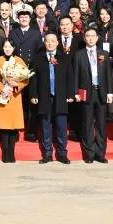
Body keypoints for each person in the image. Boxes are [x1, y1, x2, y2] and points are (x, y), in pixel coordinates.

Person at [30, 32, 74, 164]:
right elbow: (33, 78)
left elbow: (70, 77)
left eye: (53, 41)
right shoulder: (38, 58)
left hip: (60, 96)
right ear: (44, 42)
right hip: (44, 96)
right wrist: (34, 94)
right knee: (46, 126)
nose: (50, 43)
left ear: (57, 42)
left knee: (61, 126)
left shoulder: (64, 57)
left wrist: (70, 94)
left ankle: (62, 154)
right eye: (47, 41)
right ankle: (47, 154)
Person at [73, 26, 113, 163]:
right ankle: (89, 154)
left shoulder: (104, 54)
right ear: (84, 38)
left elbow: (108, 74)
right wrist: (75, 92)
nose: (90, 38)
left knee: (101, 124)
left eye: (93, 36)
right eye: (88, 36)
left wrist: (110, 92)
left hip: (101, 92)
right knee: (87, 124)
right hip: (86, 92)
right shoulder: (79, 54)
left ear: (97, 38)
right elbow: (76, 74)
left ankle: (100, 154)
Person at [0, 38, 27, 163]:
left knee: (13, 127)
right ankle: (5, 153)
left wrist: (15, 86)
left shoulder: (19, 61)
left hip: (15, 96)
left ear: (14, 48)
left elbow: (25, 78)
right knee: (4, 126)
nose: (7, 49)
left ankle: (12, 152)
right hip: (3, 96)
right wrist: (3, 88)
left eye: (10, 46)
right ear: (2, 48)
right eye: (5, 46)